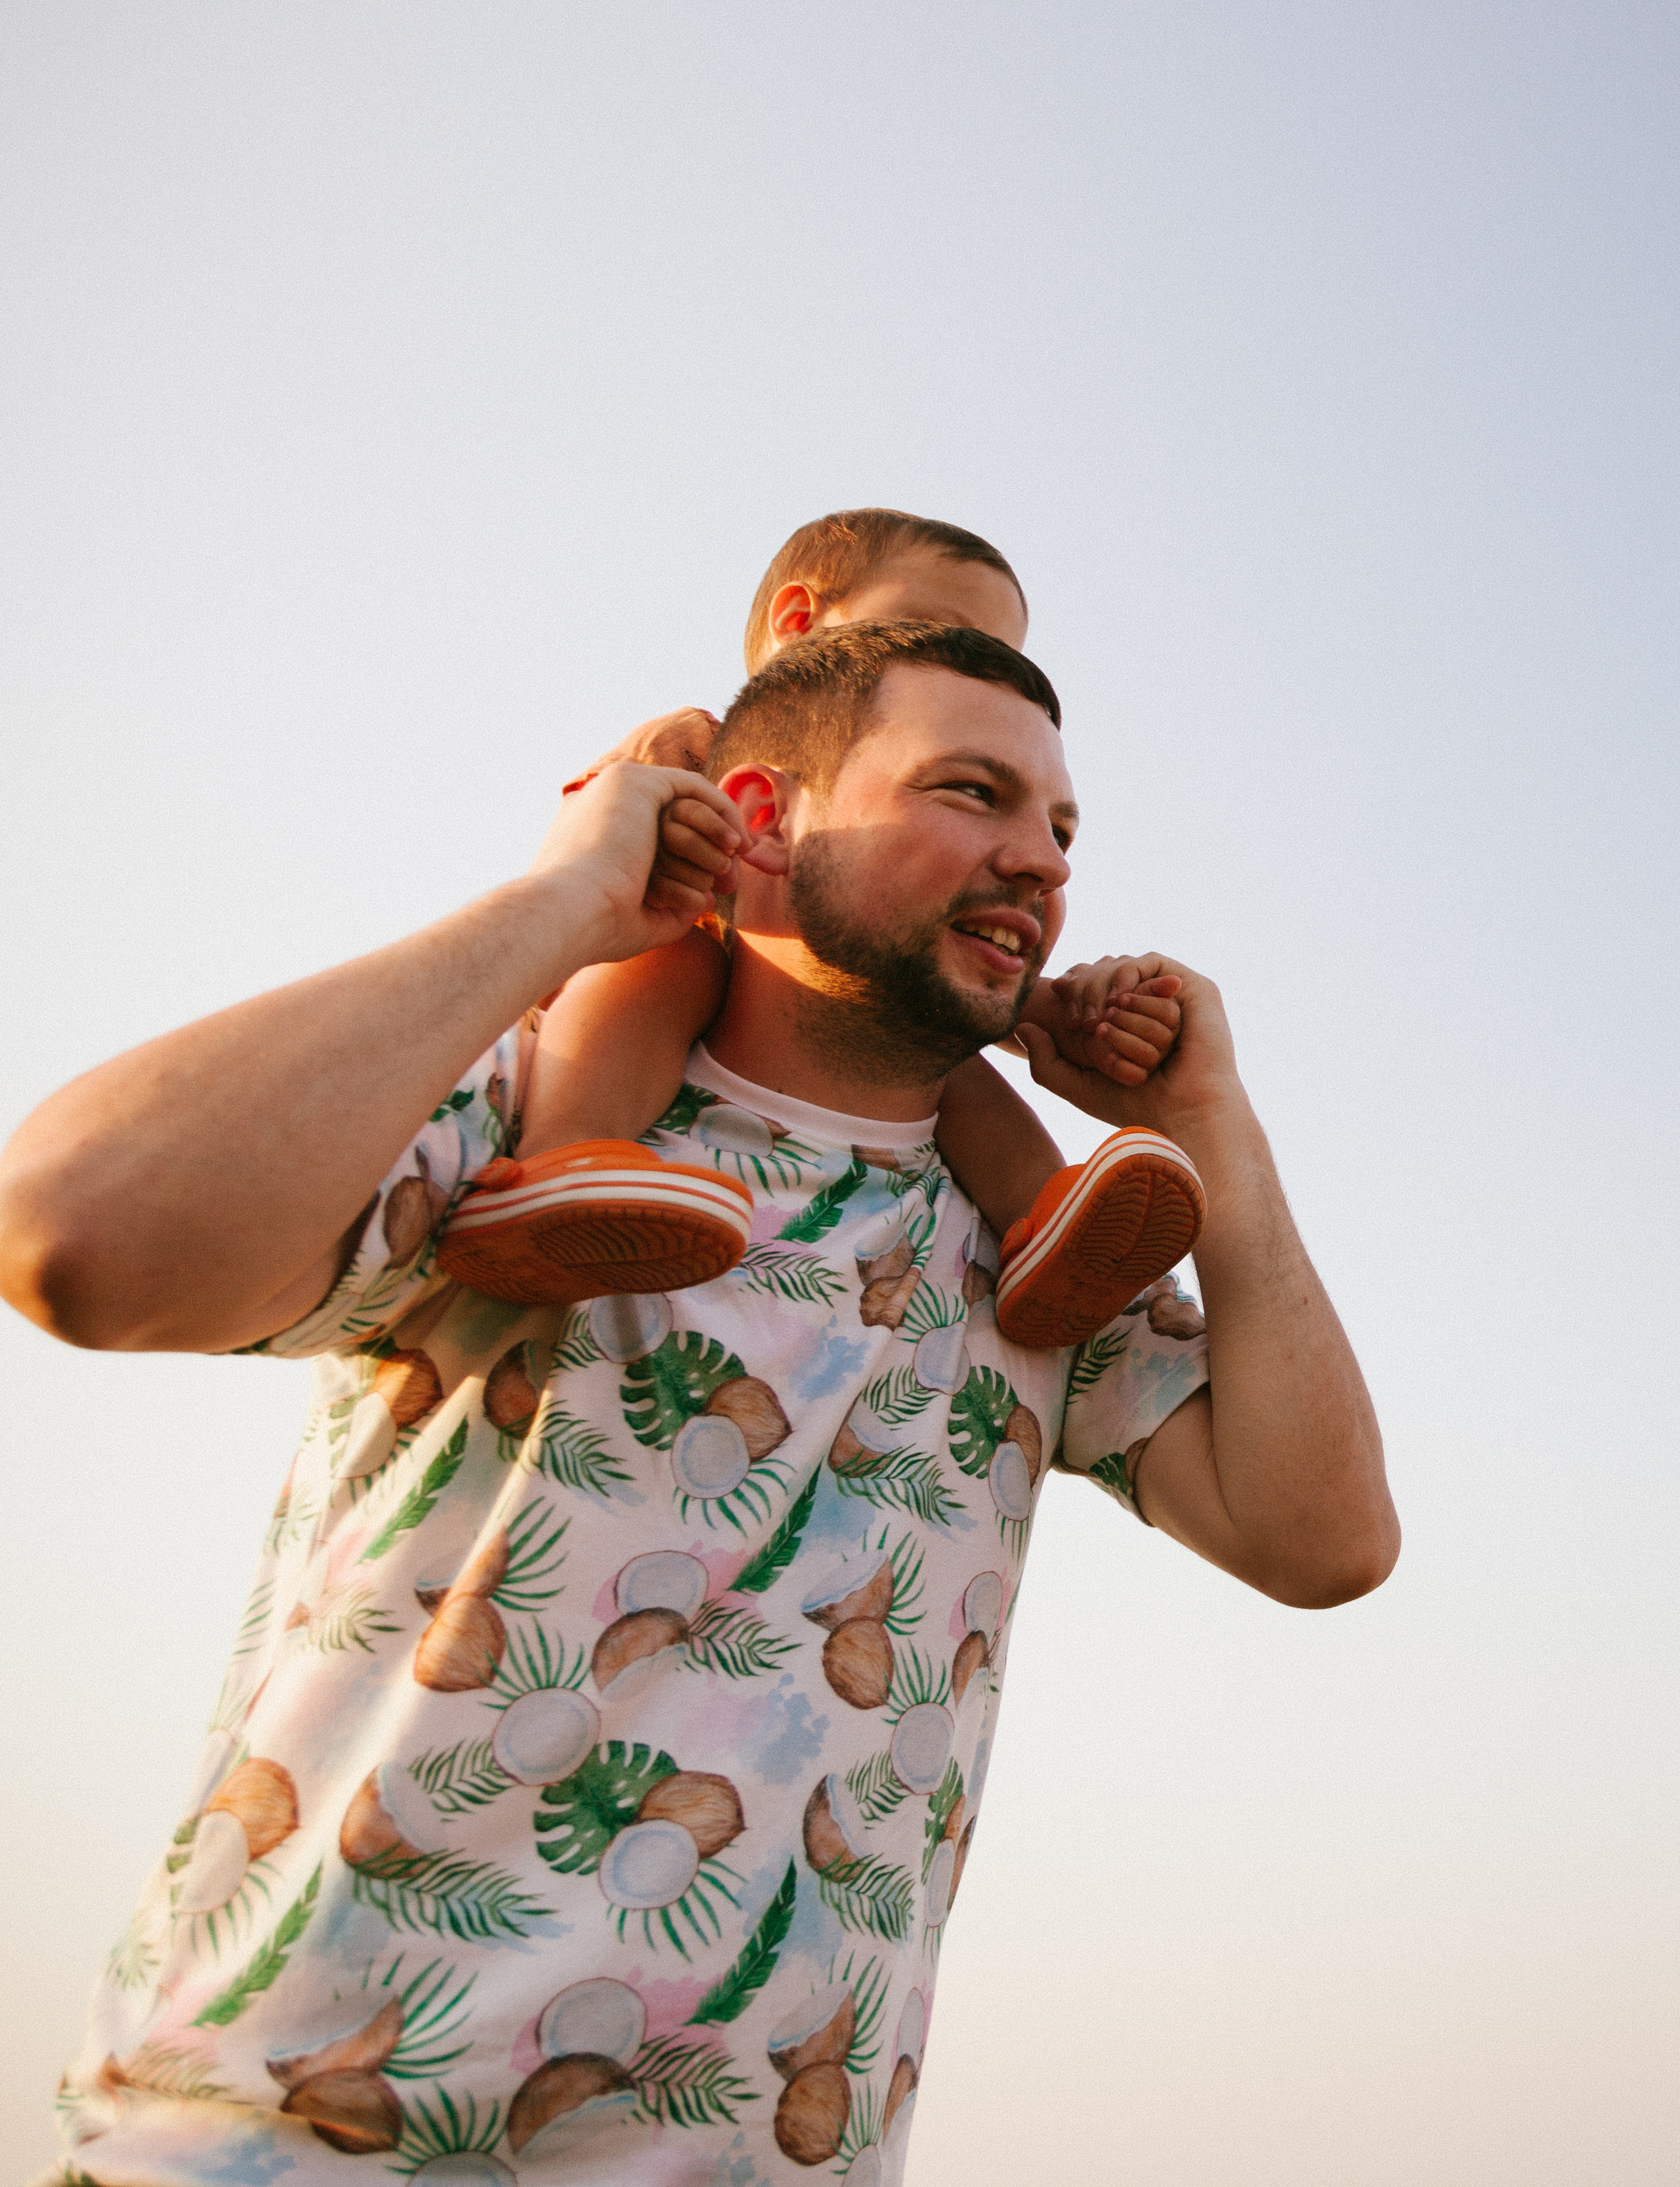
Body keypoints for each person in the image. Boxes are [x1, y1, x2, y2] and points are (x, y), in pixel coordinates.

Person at [0, 621, 1399, 2186]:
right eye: (971, 792)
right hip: (271, 2147)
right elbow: (72, 1235)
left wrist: (1211, 1120)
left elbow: (1322, 1538)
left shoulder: (1037, 1271)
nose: (1037, 863)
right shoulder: (526, 1122)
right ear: (763, 816)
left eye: (1061, 829)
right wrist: (558, 903)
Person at [434, 511, 1205, 1350]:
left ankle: (1043, 1230)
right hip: (645, 965)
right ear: (799, 622)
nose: (975, 670)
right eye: (940, 630)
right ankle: (562, 1158)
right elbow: (591, 848)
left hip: (827, 1012)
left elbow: (917, 942)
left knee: (936, 1048)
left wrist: (1051, 1012)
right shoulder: (700, 740)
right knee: (674, 961)